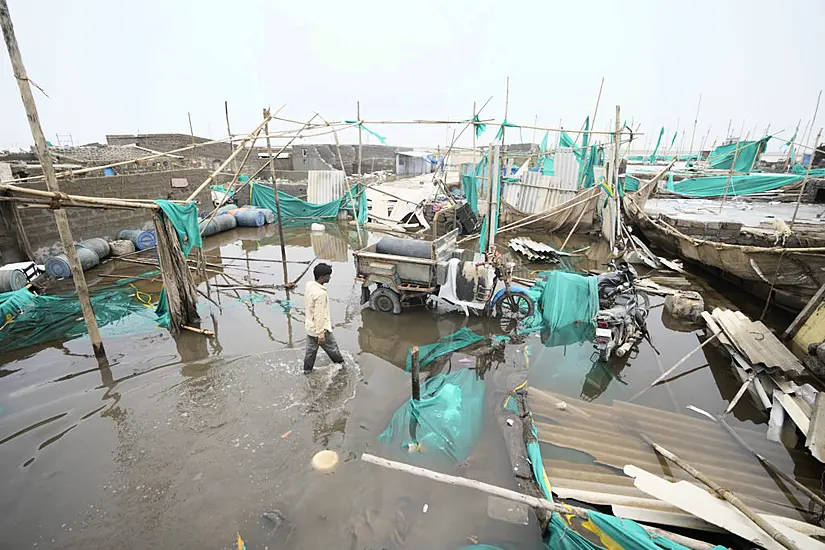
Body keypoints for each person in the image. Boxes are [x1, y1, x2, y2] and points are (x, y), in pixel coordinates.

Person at [304, 262, 344, 372]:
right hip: (321, 329)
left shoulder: (309, 285)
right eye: (328, 276)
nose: (329, 278)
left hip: (310, 328)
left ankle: (307, 371)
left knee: (310, 352)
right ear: (322, 277)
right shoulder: (320, 294)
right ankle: (342, 367)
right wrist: (321, 333)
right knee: (332, 349)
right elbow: (319, 314)